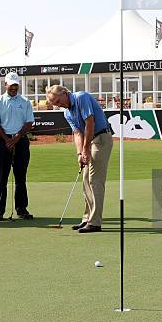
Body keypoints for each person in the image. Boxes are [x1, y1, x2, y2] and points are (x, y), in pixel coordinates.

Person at [46, 85, 113, 233]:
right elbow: (77, 133)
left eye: (58, 101)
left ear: (65, 93)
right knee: (85, 180)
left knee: (95, 180)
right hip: (89, 141)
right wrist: (79, 154)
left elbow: (90, 122)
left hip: (101, 138)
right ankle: (87, 219)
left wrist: (86, 149)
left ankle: (95, 222)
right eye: (55, 104)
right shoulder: (67, 113)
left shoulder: (81, 97)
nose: (58, 105)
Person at [0, 72, 34, 221]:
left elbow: (29, 123)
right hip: (3, 141)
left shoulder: (25, 101)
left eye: (16, 85)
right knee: (2, 178)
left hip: (20, 141)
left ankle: (21, 209)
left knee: (20, 177)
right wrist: (7, 139)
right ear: (5, 85)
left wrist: (16, 137)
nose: (13, 88)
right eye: (11, 85)